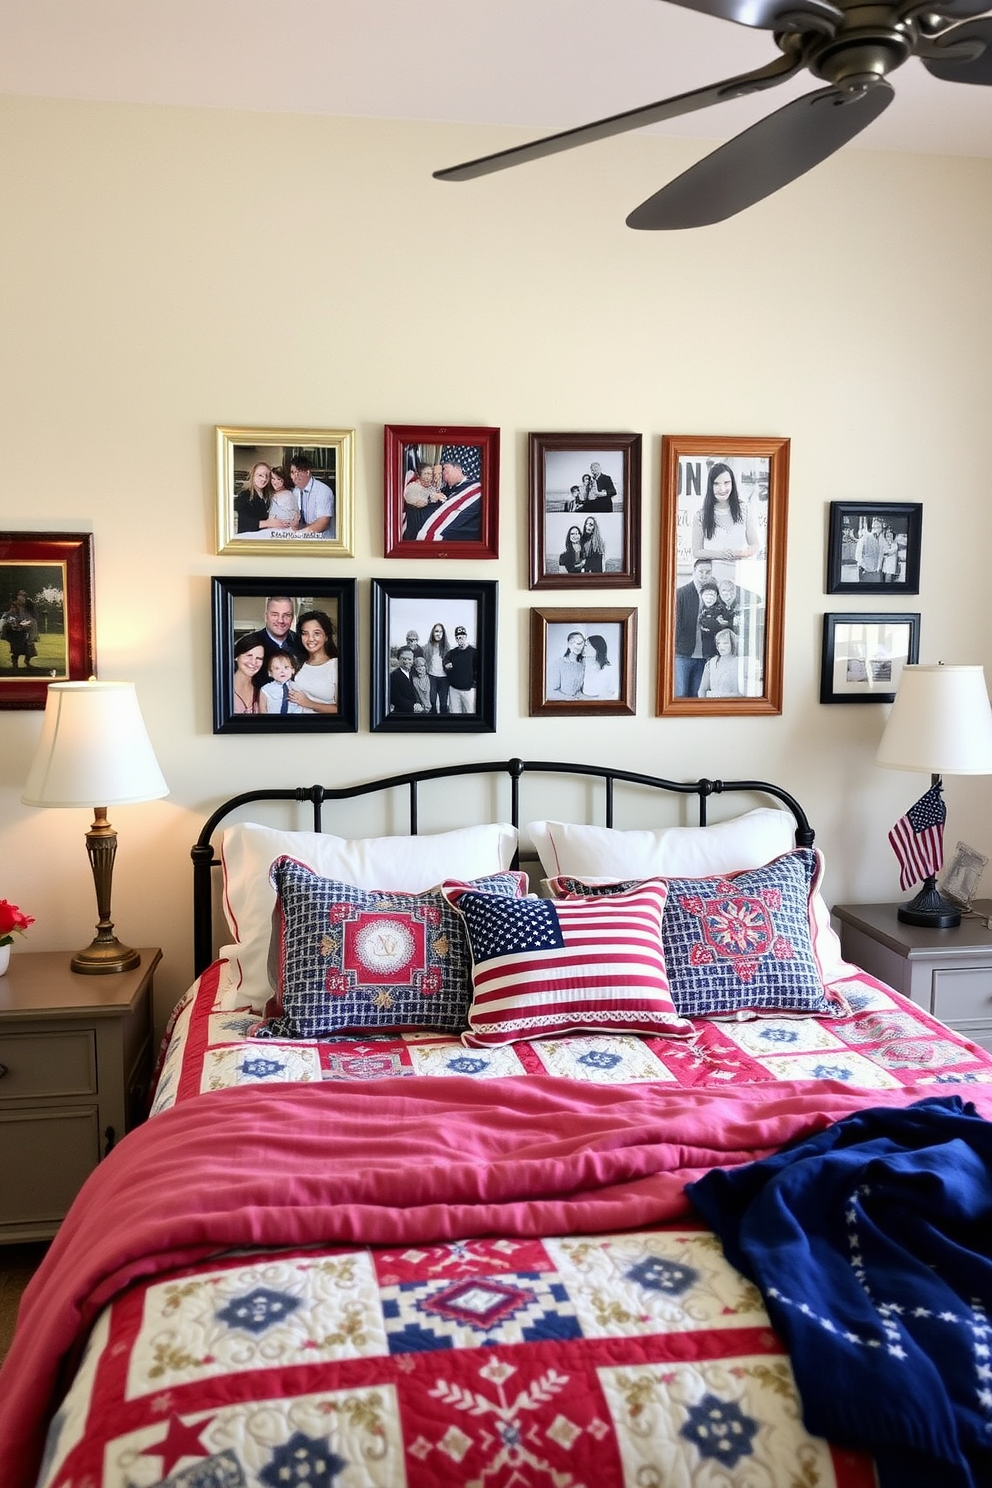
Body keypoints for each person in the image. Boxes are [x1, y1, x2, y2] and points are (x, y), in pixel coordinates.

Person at [691, 462, 760, 581]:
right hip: (712, 578)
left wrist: (737, 553)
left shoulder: (744, 510)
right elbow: (697, 551)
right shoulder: (701, 516)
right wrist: (720, 554)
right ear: (710, 486)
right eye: (716, 484)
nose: (722, 489)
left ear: (732, 483)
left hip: (741, 575)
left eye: (726, 483)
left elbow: (754, 545)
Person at [414, 445, 482, 542]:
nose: (443, 475)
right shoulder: (448, 488)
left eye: (445, 469)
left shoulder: (473, 490)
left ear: (459, 469)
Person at [674, 557, 715, 698]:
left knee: (697, 696)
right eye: (701, 571)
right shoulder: (681, 594)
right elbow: (675, 625)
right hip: (682, 654)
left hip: (704, 657)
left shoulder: (715, 594)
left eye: (708, 572)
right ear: (694, 571)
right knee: (679, 694)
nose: (704, 575)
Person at [289, 609, 338, 713]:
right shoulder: (298, 663)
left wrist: (309, 703)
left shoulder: (336, 666)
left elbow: (343, 710)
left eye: (317, 633)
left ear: (326, 637)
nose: (310, 639)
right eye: (305, 633)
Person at [242, 596, 305, 666]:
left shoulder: (302, 644)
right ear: (266, 617)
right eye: (275, 615)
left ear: (292, 618)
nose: (280, 620)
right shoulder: (247, 644)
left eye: (286, 615)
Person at [289, 455, 335, 538]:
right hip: (304, 535)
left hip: (322, 538)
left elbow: (323, 523)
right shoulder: (296, 491)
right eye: (292, 472)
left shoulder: (323, 491)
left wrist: (299, 534)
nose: (294, 476)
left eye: (298, 472)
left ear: (307, 472)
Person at [402, 460, 445, 538]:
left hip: (432, 526)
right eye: (426, 474)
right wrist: (431, 497)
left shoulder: (431, 488)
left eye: (431, 474)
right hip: (417, 527)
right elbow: (420, 504)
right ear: (419, 475)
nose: (429, 477)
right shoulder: (412, 488)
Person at [698, 628, 744, 698]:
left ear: (733, 644)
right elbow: (702, 690)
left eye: (725, 643)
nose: (721, 646)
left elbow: (742, 694)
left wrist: (716, 695)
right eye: (719, 643)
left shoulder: (740, 663)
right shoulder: (711, 663)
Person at [443, 625, 478, 713]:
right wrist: (446, 663)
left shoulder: (474, 652)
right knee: (455, 713)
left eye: (461, 637)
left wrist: (473, 684)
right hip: (454, 689)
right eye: (458, 638)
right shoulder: (453, 652)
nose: (460, 640)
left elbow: (479, 669)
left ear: (466, 637)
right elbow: (445, 660)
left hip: (468, 690)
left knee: (470, 712)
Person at [1, 590, 40, 669]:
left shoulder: (28, 606)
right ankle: (15, 663)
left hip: (26, 630)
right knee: (17, 647)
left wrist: (28, 624)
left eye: (24, 595)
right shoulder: (14, 606)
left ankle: (27, 661)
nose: (22, 597)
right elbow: (10, 617)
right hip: (16, 631)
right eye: (20, 595)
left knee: (29, 647)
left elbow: (32, 618)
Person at [234, 461, 272, 534]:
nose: (264, 479)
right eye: (260, 475)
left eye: (267, 476)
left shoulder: (268, 496)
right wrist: (268, 523)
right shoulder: (244, 495)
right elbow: (241, 520)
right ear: (253, 476)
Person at [547, 630, 586, 699]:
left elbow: (581, 690)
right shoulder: (559, 663)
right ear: (568, 644)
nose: (576, 645)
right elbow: (551, 691)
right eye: (572, 642)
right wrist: (570, 699)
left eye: (580, 642)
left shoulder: (583, 664)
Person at [260, 465, 300, 531]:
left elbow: (293, 519)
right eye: (273, 479)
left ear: (284, 480)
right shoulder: (271, 493)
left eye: (279, 479)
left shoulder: (287, 495)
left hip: (282, 531)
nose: (275, 482)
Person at [424, 622, 451, 714]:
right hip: (431, 678)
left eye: (441, 632)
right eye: (436, 631)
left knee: (443, 704)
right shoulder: (427, 647)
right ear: (433, 633)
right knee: (432, 703)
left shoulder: (447, 648)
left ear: (443, 634)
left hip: (444, 679)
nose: (438, 634)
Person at [232, 635, 264, 714]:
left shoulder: (262, 691)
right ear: (236, 657)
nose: (254, 662)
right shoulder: (222, 689)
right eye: (249, 656)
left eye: (259, 658)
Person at [581, 633, 619, 700]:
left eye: (587, 645)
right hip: (583, 698)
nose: (584, 648)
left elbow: (612, 691)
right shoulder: (584, 663)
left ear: (596, 648)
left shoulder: (608, 668)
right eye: (584, 645)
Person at [697, 581, 725, 659]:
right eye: (707, 594)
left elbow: (712, 625)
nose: (709, 597)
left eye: (712, 595)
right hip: (699, 649)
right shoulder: (698, 608)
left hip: (714, 648)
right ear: (701, 595)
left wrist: (713, 622)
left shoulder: (720, 609)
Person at [389, 646, 421, 714]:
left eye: (409, 659)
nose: (407, 662)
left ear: (413, 659)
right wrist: (412, 706)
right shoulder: (393, 676)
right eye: (404, 659)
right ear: (398, 659)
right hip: (401, 713)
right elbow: (395, 698)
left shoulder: (411, 674)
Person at [855, 516, 885, 582]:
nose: (876, 529)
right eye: (874, 527)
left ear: (881, 528)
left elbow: (881, 554)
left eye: (879, 527)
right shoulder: (865, 537)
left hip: (876, 571)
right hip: (866, 570)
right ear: (872, 527)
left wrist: (878, 568)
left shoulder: (882, 539)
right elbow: (858, 554)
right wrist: (863, 566)